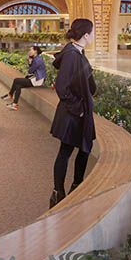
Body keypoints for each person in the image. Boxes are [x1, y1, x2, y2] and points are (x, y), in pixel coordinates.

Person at [49, 19, 98, 208]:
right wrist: (77, 108)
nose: (93, 35)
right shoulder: (71, 54)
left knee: (83, 149)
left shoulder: (76, 51)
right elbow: (62, 86)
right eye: (92, 32)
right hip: (74, 112)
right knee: (68, 150)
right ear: (86, 35)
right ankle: (59, 192)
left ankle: (74, 187)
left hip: (79, 111)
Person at [1, 46, 47, 110]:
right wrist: (30, 63)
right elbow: (32, 70)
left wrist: (30, 62)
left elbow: (30, 71)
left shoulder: (37, 60)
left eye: (31, 50)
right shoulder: (37, 58)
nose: (29, 52)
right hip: (34, 79)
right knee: (18, 85)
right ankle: (14, 104)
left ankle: (10, 95)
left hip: (37, 80)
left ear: (35, 51)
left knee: (16, 80)